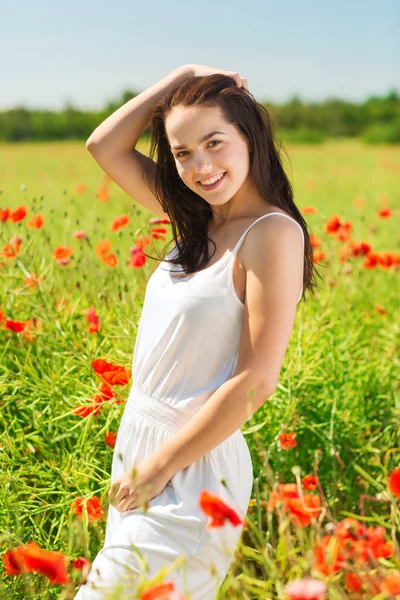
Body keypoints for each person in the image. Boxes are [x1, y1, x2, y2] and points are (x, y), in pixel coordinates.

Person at [74, 64, 318, 599]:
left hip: (192, 466)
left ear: (249, 137)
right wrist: (182, 75)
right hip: (145, 446)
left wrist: (159, 467)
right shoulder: (198, 220)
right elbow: (104, 145)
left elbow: (257, 378)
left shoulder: (272, 232)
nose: (201, 166)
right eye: (182, 153)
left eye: (215, 143)